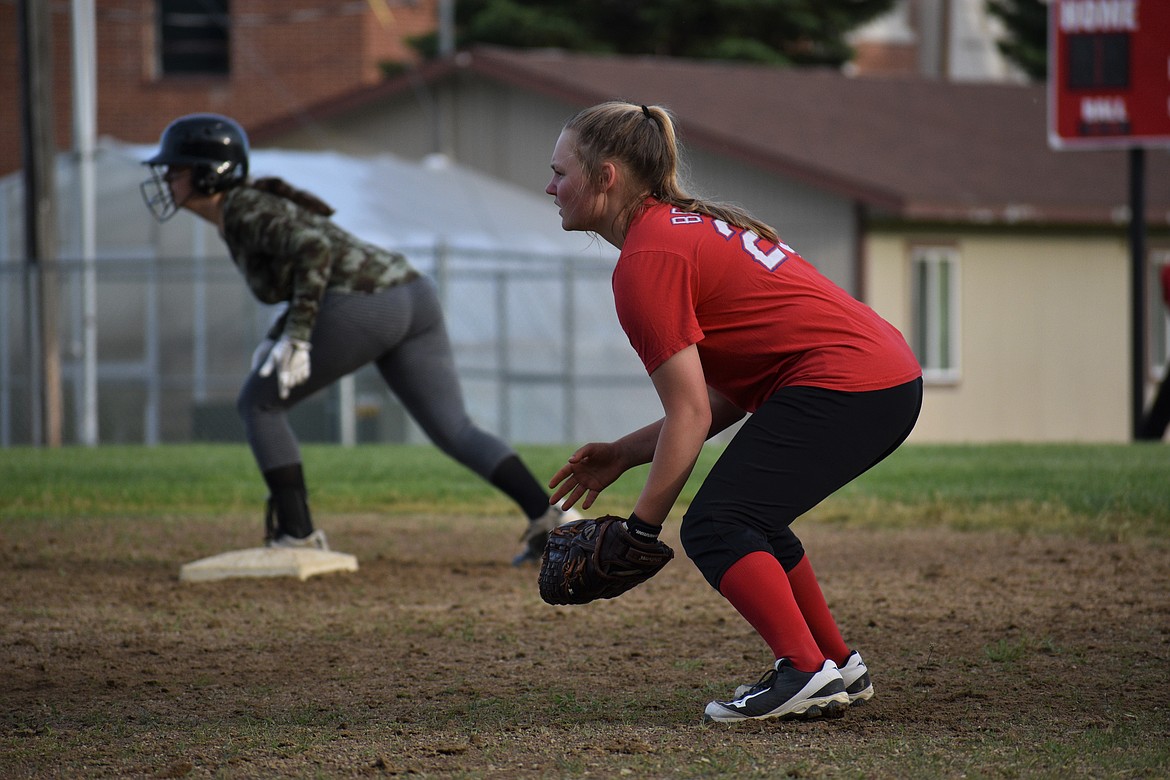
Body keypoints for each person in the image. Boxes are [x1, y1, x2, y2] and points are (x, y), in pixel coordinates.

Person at [543, 101, 923, 723]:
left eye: (561, 172)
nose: (551, 186)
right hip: (880, 378)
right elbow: (721, 398)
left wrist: (642, 528)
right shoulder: (678, 228)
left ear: (606, 176)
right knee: (754, 520)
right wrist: (625, 453)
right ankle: (832, 663)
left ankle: (803, 672)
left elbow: (691, 412)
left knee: (718, 526)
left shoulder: (647, 259)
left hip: (845, 383)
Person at [141, 113, 575, 562]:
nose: (167, 179)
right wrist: (280, 334)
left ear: (210, 172)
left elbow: (315, 251)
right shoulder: (248, 206)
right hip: (411, 293)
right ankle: (554, 522)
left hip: (368, 301)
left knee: (259, 403)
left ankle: (297, 535)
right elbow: (305, 268)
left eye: (175, 169)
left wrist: (297, 335)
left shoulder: (242, 207)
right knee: (454, 428)